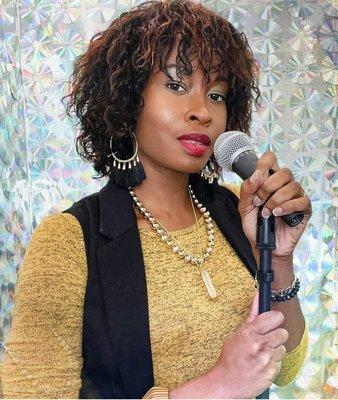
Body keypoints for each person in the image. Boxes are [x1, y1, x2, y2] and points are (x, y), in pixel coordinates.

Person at [0, 0, 311, 398]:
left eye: (216, 95)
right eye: (176, 85)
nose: (202, 111)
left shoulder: (238, 210)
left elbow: (286, 366)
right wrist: (216, 385)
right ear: (128, 100)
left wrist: (278, 261)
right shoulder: (68, 242)